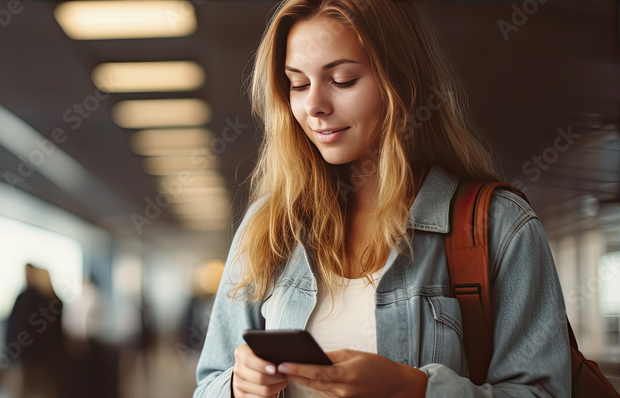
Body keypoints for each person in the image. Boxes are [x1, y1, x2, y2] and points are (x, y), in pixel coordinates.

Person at [194, 1, 572, 397]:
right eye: (298, 84)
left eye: (341, 80)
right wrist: (238, 387)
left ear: (402, 82)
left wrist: (414, 390)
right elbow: (207, 384)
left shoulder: (498, 227)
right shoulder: (269, 228)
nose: (314, 106)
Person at [5, 263, 64, 398]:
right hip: (45, 357)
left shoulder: (26, 297)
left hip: (26, 356)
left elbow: (15, 327)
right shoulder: (54, 300)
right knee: (45, 390)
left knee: (23, 390)